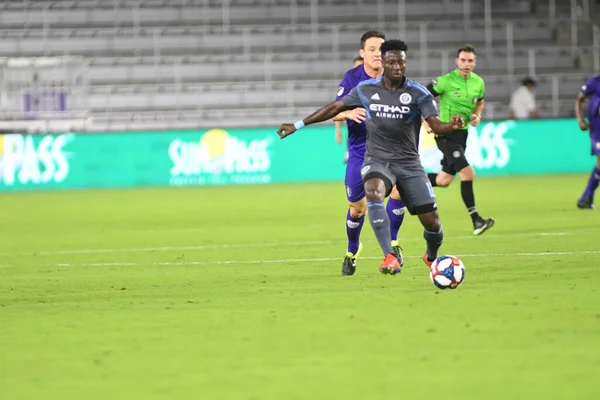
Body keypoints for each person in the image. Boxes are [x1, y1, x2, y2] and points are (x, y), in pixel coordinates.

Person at [277, 39, 465, 274]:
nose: (397, 66)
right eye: (392, 61)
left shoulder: (418, 93)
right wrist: (298, 125)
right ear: (383, 62)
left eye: (401, 62)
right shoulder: (366, 90)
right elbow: (333, 108)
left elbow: (435, 124)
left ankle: (432, 255)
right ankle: (389, 255)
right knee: (372, 191)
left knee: (432, 222)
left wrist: (451, 125)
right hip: (377, 159)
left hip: (408, 163)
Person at [329, 31, 407, 276]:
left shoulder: (395, 78)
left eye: (380, 49)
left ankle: (392, 245)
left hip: (389, 150)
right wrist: (349, 114)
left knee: (399, 190)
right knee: (357, 208)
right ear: (363, 53)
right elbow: (333, 112)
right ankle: (353, 249)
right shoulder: (352, 78)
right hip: (360, 150)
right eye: (371, 49)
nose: (376, 53)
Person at [425, 44, 495, 236]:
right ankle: (476, 220)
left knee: (444, 179)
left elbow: (479, 102)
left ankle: (408, 183)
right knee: (467, 172)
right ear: (457, 61)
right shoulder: (446, 81)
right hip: (445, 134)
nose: (466, 64)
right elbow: (423, 96)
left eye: (470, 60)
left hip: (462, 135)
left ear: (475, 62)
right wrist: (428, 122)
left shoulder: (478, 83)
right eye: (463, 60)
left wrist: (477, 116)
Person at [575, 74, 600, 209]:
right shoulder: (595, 82)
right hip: (598, 131)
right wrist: (580, 120)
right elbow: (579, 99)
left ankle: (586, 198)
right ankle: (587, 196)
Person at [335, 55, 364, 161]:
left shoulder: (378, 83)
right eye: (356, 67)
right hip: (356, 137)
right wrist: (338, 130)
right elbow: (337, 110)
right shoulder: (349, 85)